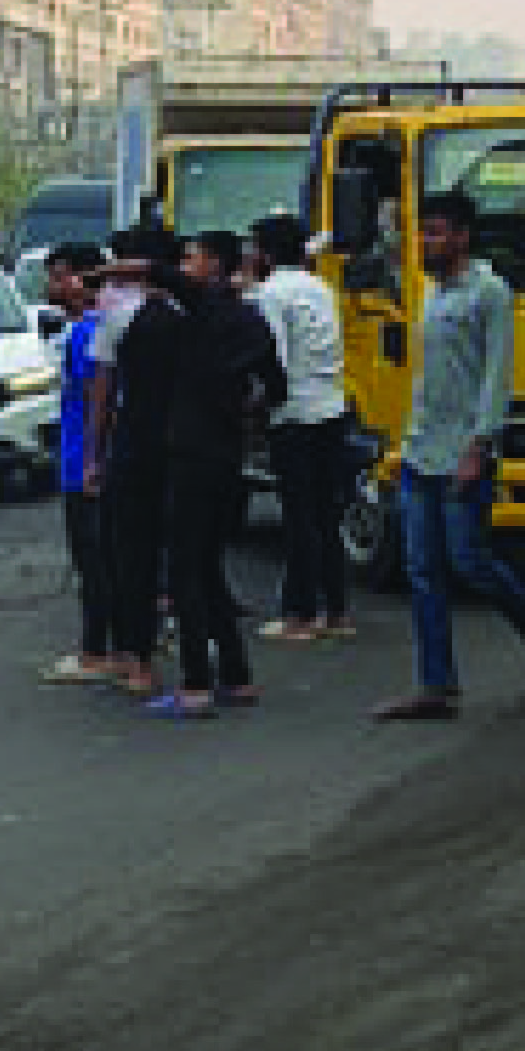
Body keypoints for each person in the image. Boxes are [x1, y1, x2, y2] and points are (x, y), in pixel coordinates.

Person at [377, 190, 525, 721]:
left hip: (465, 452)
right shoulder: (432, 293)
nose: (426, 242)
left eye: (436, 232)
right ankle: (437, 685)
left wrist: (479, 445)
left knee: (472, 562)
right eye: (423, 232)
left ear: (462, 236)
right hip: (422, 451)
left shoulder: (490, 293)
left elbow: (495, 378)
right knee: (422, 571)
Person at [144, 230, 284, 720]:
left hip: (191, 449)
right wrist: (242, 410)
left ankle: (196, 682)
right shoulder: (249, 318)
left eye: (193, 258)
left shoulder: (205, 307)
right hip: (226, 452)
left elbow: (159, 276)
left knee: (184, 565)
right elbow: (276, 384)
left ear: (215, 266)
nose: (186, 266)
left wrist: (114, 271)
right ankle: (237, 673)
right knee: (207, 563)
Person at [246, 212, 354, 645]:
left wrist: (254, 408)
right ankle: (336, 609)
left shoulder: (271, 295)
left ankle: (300, 614)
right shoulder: (321, 288)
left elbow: (274, 361)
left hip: (294, 414)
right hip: (332, 406)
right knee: (327, 515)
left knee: (299, 516)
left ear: (268, 253)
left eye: (255, 247)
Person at [88, 224, 181, 697]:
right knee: (189, 551)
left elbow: (103, 391)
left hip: (136, 441)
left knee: (131, 554)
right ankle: (210, 663)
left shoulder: (118, 314)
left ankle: (136, 657)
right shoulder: (195, 309)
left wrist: (93, 456)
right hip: (190, 442)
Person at [32, 243, 125, 686]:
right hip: (84, 458)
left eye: (59, 276)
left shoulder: (89, 333)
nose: (52, 287)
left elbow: (97, 402)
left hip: (83, 464)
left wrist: (91, 459)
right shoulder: (89, 329)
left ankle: (96, 651)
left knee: (94, 560)